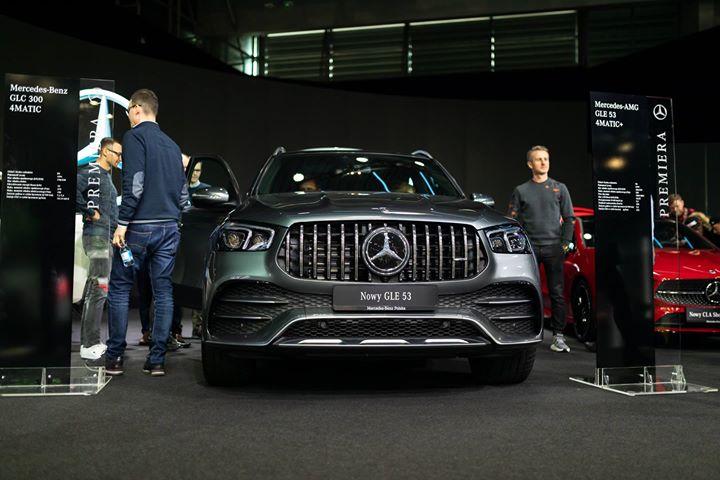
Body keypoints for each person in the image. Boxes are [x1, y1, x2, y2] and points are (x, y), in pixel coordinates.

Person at [105, 89, 188, 377]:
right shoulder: (173, 146)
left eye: (128, 110)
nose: (128, 115)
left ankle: (115, 357)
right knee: (163, 291)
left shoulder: (134, 137)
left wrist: (122, 223)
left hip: (138, 228)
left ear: (137, 109)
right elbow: (183, 194)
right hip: (169, 228)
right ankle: (156, 361)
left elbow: (135, 185)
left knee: (120, 288)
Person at [509, 145, 575, 353]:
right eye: (538, 159)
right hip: (530, 250)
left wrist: (565, 244)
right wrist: (520, 247)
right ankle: (521, 333)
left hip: (553, 248)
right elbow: (512, 221)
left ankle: (558, 337)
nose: (543, 162)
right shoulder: (521, 190)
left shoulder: (559, 188)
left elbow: (570, 219)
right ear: (530, 164)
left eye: (546, 158)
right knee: (525, 291)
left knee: (557, 293)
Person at [75, 137, 121, 361]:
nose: (119, 158)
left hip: (104, 238)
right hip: (97, 238)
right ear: (105, 151)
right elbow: (71, 189)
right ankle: (90, 343)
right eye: (117, 154)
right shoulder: (91, 173)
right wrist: (89, 211)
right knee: (99, 289)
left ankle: (89, 341)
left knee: (96, 288)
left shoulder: (106, 177)